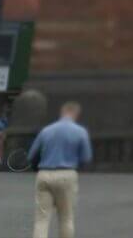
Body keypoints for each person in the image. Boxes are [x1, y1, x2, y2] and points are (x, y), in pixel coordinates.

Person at [28, 102, 92, 238]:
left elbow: (32, 154)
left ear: (62, 112)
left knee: (42, 219)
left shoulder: (46, 130)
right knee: (66, 217)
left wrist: (37, 167)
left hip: (44, 173)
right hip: (67, 173)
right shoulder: (80, 131)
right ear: (76, 114)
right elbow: (86, 157)